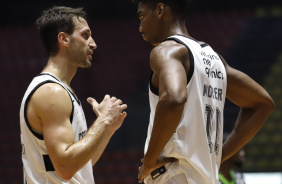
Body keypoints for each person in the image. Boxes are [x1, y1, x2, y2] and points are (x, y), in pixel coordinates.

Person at [133, 0, 275, 183]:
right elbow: (262, 104)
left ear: (160, 10)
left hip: (174, 176)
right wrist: (218, 156)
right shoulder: (214, 59)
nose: (140, 27)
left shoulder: (166, 52)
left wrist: (149, 160)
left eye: (142, 16)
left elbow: (174, 99)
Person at [19, 6, 127, 183]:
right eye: (85, 35)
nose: (93, 43)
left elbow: (81, 164)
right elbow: (66, 167)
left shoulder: (62, 90)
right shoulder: (51, 92)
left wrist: (106, 130)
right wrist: (103, 120)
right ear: (64, 39)